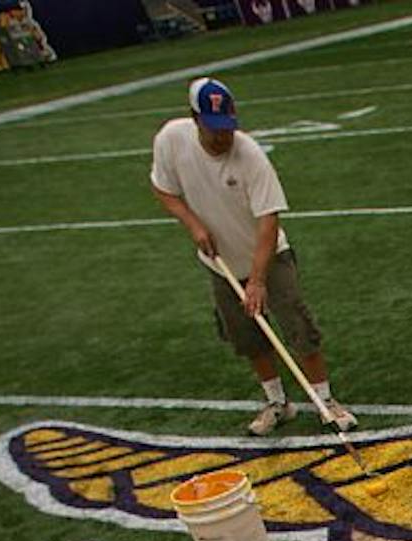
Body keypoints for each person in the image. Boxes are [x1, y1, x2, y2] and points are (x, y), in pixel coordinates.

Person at [150, 77, 354, 435]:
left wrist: (258, 279)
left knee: (296, 322)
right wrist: (193, 224)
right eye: (214, 131)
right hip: (220, 263)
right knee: (246, 334)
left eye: (228, 128)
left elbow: (268, 221)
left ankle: (325, 400)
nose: (223, 137)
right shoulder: (171, 139)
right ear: (194, 119)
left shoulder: (250, 156)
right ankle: (277, 402)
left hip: (268, 256)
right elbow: (162, 188)